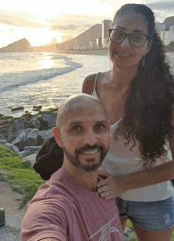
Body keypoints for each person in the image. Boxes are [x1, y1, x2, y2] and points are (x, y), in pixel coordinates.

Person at [82, 4, 174, 241]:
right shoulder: (90, 85)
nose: (124, 45)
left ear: (148, 45)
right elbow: (81, 141)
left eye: (136, 37)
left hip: (151, 197)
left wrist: (124, 183)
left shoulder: (165, 94)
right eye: (119, 34)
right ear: (109, 35)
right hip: (104, 191)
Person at [21, 94, 124, 241]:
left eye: (99, 127)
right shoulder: (52, 204)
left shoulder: (106, 186)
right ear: (58, 137)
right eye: (77, 128)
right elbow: (43, 227)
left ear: (108, 130)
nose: (91, 141)